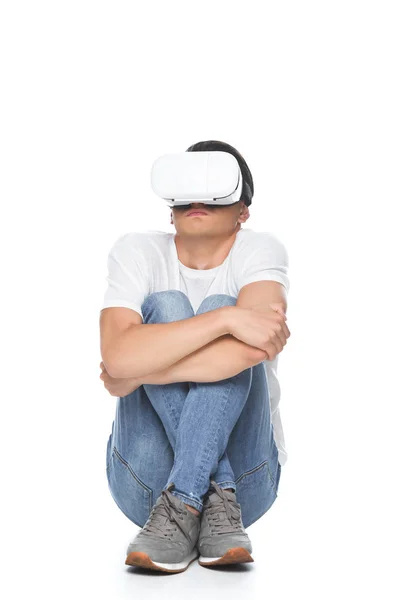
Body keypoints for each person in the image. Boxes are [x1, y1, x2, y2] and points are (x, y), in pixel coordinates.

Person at [99, 140, 291, 573]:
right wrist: (226, 319)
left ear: (243, 210)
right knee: (170, 306)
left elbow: (253, 346)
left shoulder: (261, 251)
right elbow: (116, 354)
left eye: (215, 191)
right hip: (144, 484)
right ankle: (193, 496)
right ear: (170, 208)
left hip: (245, 490)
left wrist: (137, 372)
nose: (198, 200)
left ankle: (184, 499)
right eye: (186, 192)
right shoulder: (136, 251)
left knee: (207, 307)